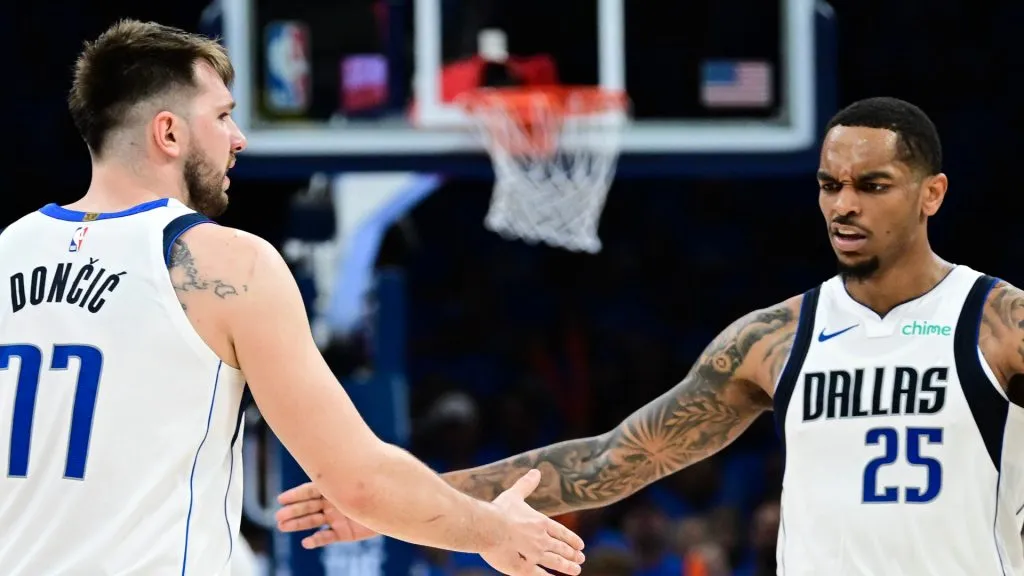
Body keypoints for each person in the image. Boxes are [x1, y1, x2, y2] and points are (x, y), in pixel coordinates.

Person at [276, 96, 1024, 575]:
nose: (843, 206)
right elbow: (609, 462)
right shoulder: (775, 340)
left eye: (872, 185)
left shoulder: (1002, 324)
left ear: (933, 194)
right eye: (830, 185)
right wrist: (395, 503)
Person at [0, 19, 585, 576]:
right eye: (223, 116)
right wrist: (496, 531)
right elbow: (360, 482)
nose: (238, 137)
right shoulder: (226, 263)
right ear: (169, 132)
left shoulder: (11, 248)